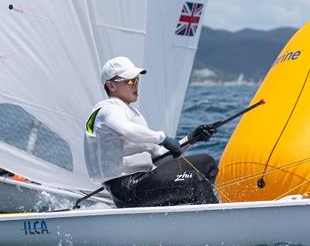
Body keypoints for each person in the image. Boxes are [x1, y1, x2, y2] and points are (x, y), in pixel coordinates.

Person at [84, 56, 219, 208]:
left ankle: (194, 208)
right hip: (126, 189)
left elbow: (160, 158)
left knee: (206, 163)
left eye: (136, 80)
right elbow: (126, 130)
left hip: (144, 181)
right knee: (195, 180)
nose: (135, 84)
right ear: (111, 86)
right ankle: (214, 216)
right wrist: (163, 138)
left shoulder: (133, 114)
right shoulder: (106, 110)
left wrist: (191, 139)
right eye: (130, 81)